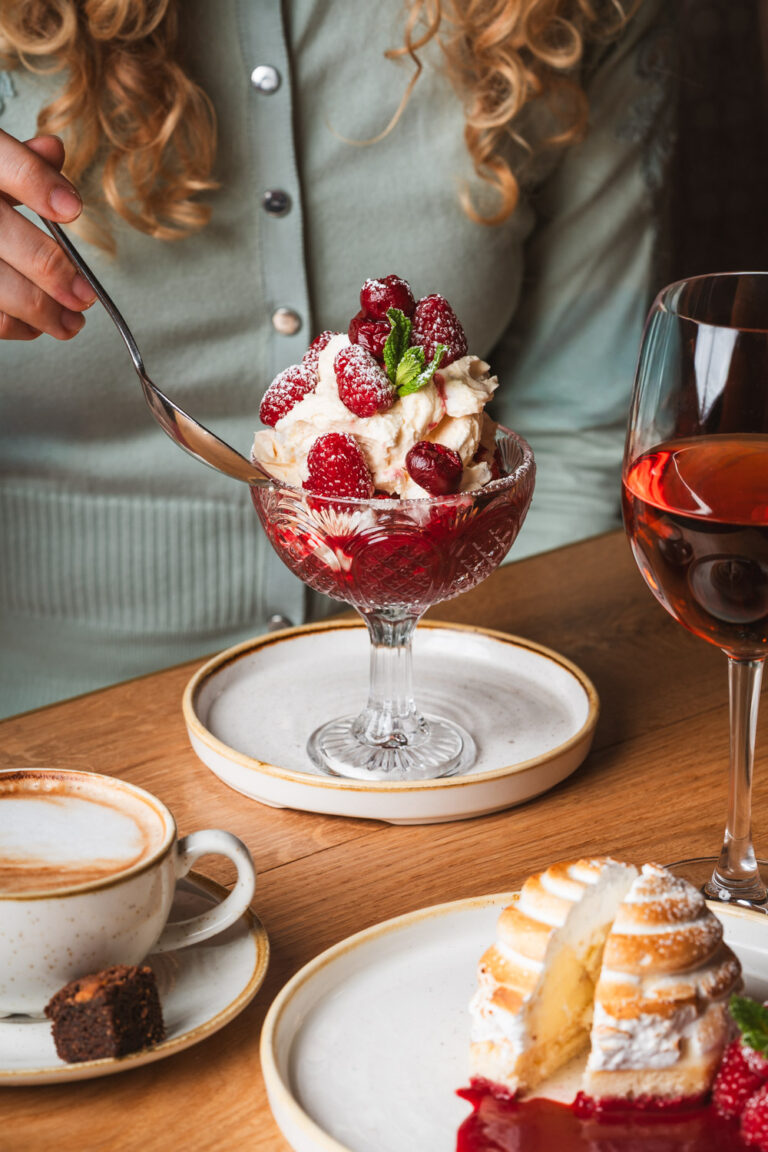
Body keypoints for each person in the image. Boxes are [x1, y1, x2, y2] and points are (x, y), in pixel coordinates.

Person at [0, 0, 672, 718]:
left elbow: (576, 428)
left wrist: (436, 709)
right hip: (43, 713)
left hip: (458, 702)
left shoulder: (568, 14)